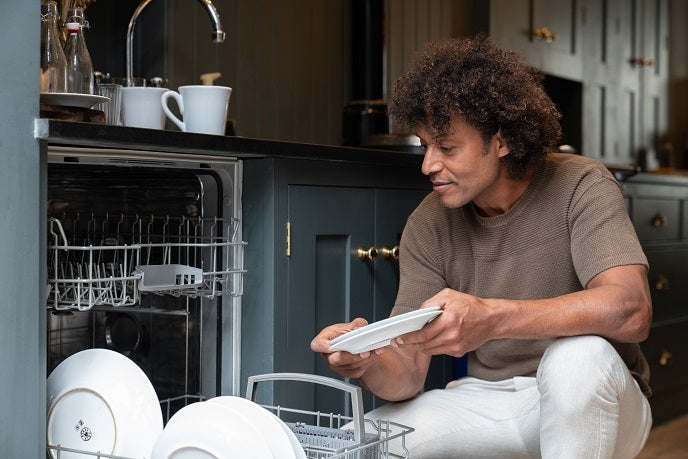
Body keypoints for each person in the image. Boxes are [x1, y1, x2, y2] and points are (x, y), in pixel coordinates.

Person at [310, 35, 653, 458]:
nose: (428, 164)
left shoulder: (581, 184)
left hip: (604, 398)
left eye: (447, 147)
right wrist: (367, 359)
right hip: (491, 398)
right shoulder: (428, 222)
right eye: (425, 145)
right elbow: (408, 374)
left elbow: (631, 309)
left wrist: (491, 318)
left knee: (576, 357)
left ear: (501, 141)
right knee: (354, 445)